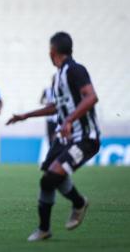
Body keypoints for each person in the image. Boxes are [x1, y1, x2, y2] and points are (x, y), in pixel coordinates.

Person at [7, 32, 100, 241]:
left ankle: (78, 203)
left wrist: (68, 121)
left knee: (53, 175)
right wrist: (25, 115)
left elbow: (92, 96)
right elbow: (56, 106)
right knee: (47, 180)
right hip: (65, 139)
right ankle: (45, 229)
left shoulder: (76, 70)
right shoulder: (58, 77)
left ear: (52, 52)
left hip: (85, 138)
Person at [40, 75, 58, 145]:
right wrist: (47, 103)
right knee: (50, 138)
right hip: (49, 118)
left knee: (57, 137)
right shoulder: (47, 90)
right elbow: (41, 101)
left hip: (57, 118)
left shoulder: (61, 90)